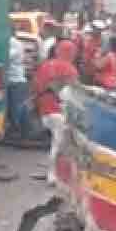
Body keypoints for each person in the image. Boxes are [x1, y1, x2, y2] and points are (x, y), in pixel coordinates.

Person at [32, 40, 79, 185]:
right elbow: (74, 93)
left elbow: (35, 87)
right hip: (59, 111)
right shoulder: (70, 68)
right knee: (59, 145)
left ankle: (58, 173)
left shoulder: (45, 65)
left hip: (45, 111)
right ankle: (53, 175)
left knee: (57, 142)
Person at [6, 35, 29, 140]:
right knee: (17, 108)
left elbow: (5, 56)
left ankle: (21, 132)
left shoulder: (14, 43)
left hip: (16, 81)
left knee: (17, 109)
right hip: (13, 81)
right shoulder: (14, 42)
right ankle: (21, 132)